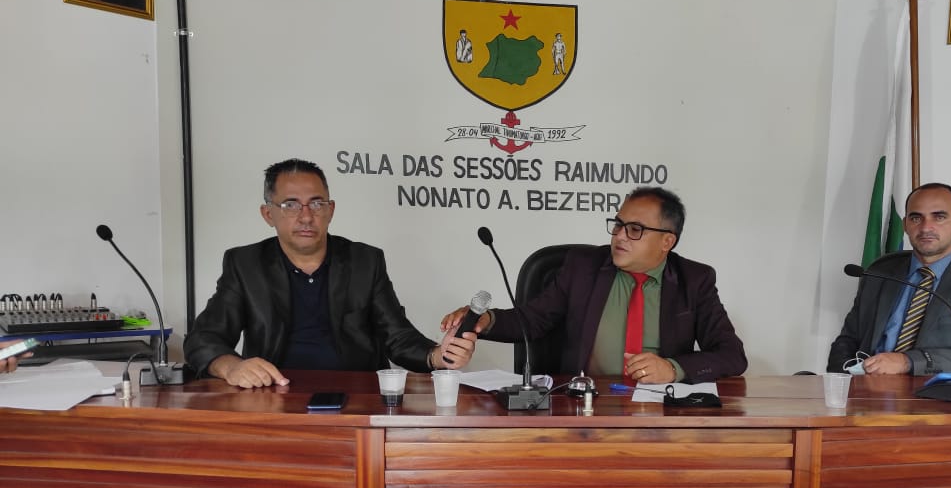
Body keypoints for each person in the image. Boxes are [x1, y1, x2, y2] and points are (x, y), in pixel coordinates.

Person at [185, 158, 476, 388]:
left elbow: (397, 337)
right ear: (268, 214)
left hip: (358, 397)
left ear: (331, 210)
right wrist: (232, 367)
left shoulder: (365, 261)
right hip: (274, 394)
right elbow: (202, 338)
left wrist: (438, 356)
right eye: (290, 205)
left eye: (317, 203)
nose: (306, 216)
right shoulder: (245, 264)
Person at [442, 188, 746, 384]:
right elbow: (533, 320)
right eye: (618, 224)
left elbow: (732, 354)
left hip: (659, 411)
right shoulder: (583, 267)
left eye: (635, 229)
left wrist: (673, 368)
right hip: (586, 404)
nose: (620, 236)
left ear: (667, 241)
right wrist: (485, 319)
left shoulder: (694, 280)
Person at [827, 182, 951, 376]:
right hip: (866, 387)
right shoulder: (880, 271)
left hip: (934, 392)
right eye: (916, 218)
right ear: (905, 224)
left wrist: (909, 362)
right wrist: (844, 381)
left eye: (939, 217)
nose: (926, 227)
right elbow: (847, 340)